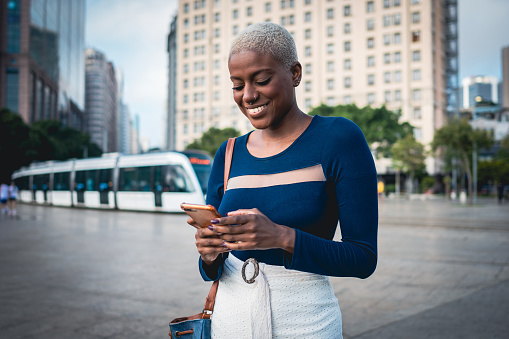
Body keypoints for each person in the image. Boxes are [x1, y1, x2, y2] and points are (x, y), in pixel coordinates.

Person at [188, 22, 378, 339]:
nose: (248, 95)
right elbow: (212, 268)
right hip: (230, 321)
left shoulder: (338, 138)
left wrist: (280, 236)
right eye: (237, 85)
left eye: (261, 80)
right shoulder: (229, 153)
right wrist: (209, 253)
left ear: (295, 73)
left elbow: (363, 258)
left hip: (307, 323)